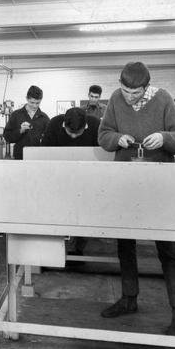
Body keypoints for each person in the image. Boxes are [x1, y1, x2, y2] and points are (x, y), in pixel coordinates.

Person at [98, 61, 175, 336]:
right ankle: (129, 298)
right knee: (125, 243)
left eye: (135, 93)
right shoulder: (116, 99)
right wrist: (118, 139)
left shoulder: (162, 99)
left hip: (158, 187)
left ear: (146, 88)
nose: (129, 97)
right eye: (125, 91)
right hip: (125, 184)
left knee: (166, 248)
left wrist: (164, 138)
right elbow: (103, 136)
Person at [42, 106, 100, 256]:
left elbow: (102, 155)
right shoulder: (54, 124)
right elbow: (44, 153)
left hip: (87, 179)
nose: (74, 137)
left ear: (85, 126)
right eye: (70, 133)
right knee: (59, 212)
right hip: (59, 177)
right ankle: (54, 248)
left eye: (78, 133)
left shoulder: (95, 125)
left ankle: (78, 248)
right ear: (64, 125)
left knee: (83, 213)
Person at [3, 85, 49, 159]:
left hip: (39, 157)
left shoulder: (44, 118)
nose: (34, 106)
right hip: (20, 157)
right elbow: (7, 137)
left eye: (37, 103)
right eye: (32, 102)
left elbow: (49, 139)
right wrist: (20, 131)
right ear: (27, 99)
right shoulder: (16, 115)